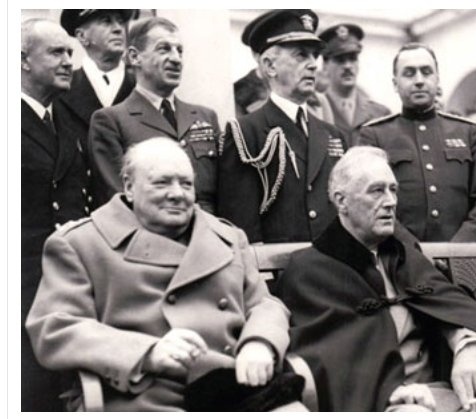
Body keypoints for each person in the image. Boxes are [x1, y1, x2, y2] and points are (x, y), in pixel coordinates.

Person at [26, 138, 305, 412]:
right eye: (162, 183)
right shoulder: (81, 243)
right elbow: (56, 327)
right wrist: (146, 352)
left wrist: (259, 342)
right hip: (143, 392)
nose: (177, 193)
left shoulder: (228, 236)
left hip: (237, 383)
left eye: (186, 183)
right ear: (129, 187)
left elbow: (264, 304)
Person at [278, 146, 476, 412]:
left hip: (448, 395)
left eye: (393, 190)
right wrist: (390, 390)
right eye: (377, 191)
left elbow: (453, 305)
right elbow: (323, 357)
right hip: (383, 404)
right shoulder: (309, 269)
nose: (390, 202)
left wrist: (467, 344)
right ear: (342, 201)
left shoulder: (406, 257)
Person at [218, 9, 347, 243]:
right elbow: (242, 228)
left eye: (314, 56)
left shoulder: (333, 135)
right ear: (270, 66)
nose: (313, 65)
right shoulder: (245, 133)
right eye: (301, 55)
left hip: (334, 262)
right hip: (280, 264)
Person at [21, 18, 91, 411]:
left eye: (70, 52)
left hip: (68, 278)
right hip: (23, 281)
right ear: (23, 60)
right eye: (56, 52)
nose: (69, 61)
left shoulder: (67, 117)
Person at [358, 43, 476, 242]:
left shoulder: (467, 132)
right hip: (399, 254)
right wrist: (411, 250)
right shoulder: (374, 135)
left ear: (437, 79)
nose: (419, 81)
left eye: (426, 72)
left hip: (461, 253)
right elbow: (371, 199)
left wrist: (460, 247)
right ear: (395, 83)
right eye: (409, 73)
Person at [88, 17, 221, 213]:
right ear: (134, 57)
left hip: (207, 228)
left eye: (179, 51)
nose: (176, 59)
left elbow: (226, 193)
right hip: (148, 229)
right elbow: (118, 199)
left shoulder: (205, 117)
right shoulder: (111, 121)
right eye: (164, 49)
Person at [57, 10, 137, 162]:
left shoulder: (142, 87)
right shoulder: (60, 91)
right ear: (82, 36)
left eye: (120, 22)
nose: (118, 29)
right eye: (106, 21)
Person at [318, 23, 391, 145]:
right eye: (340, 60)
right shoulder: (315, 112)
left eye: (352, 58)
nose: (348, 66)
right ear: (325, 66)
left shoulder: (380, 114)